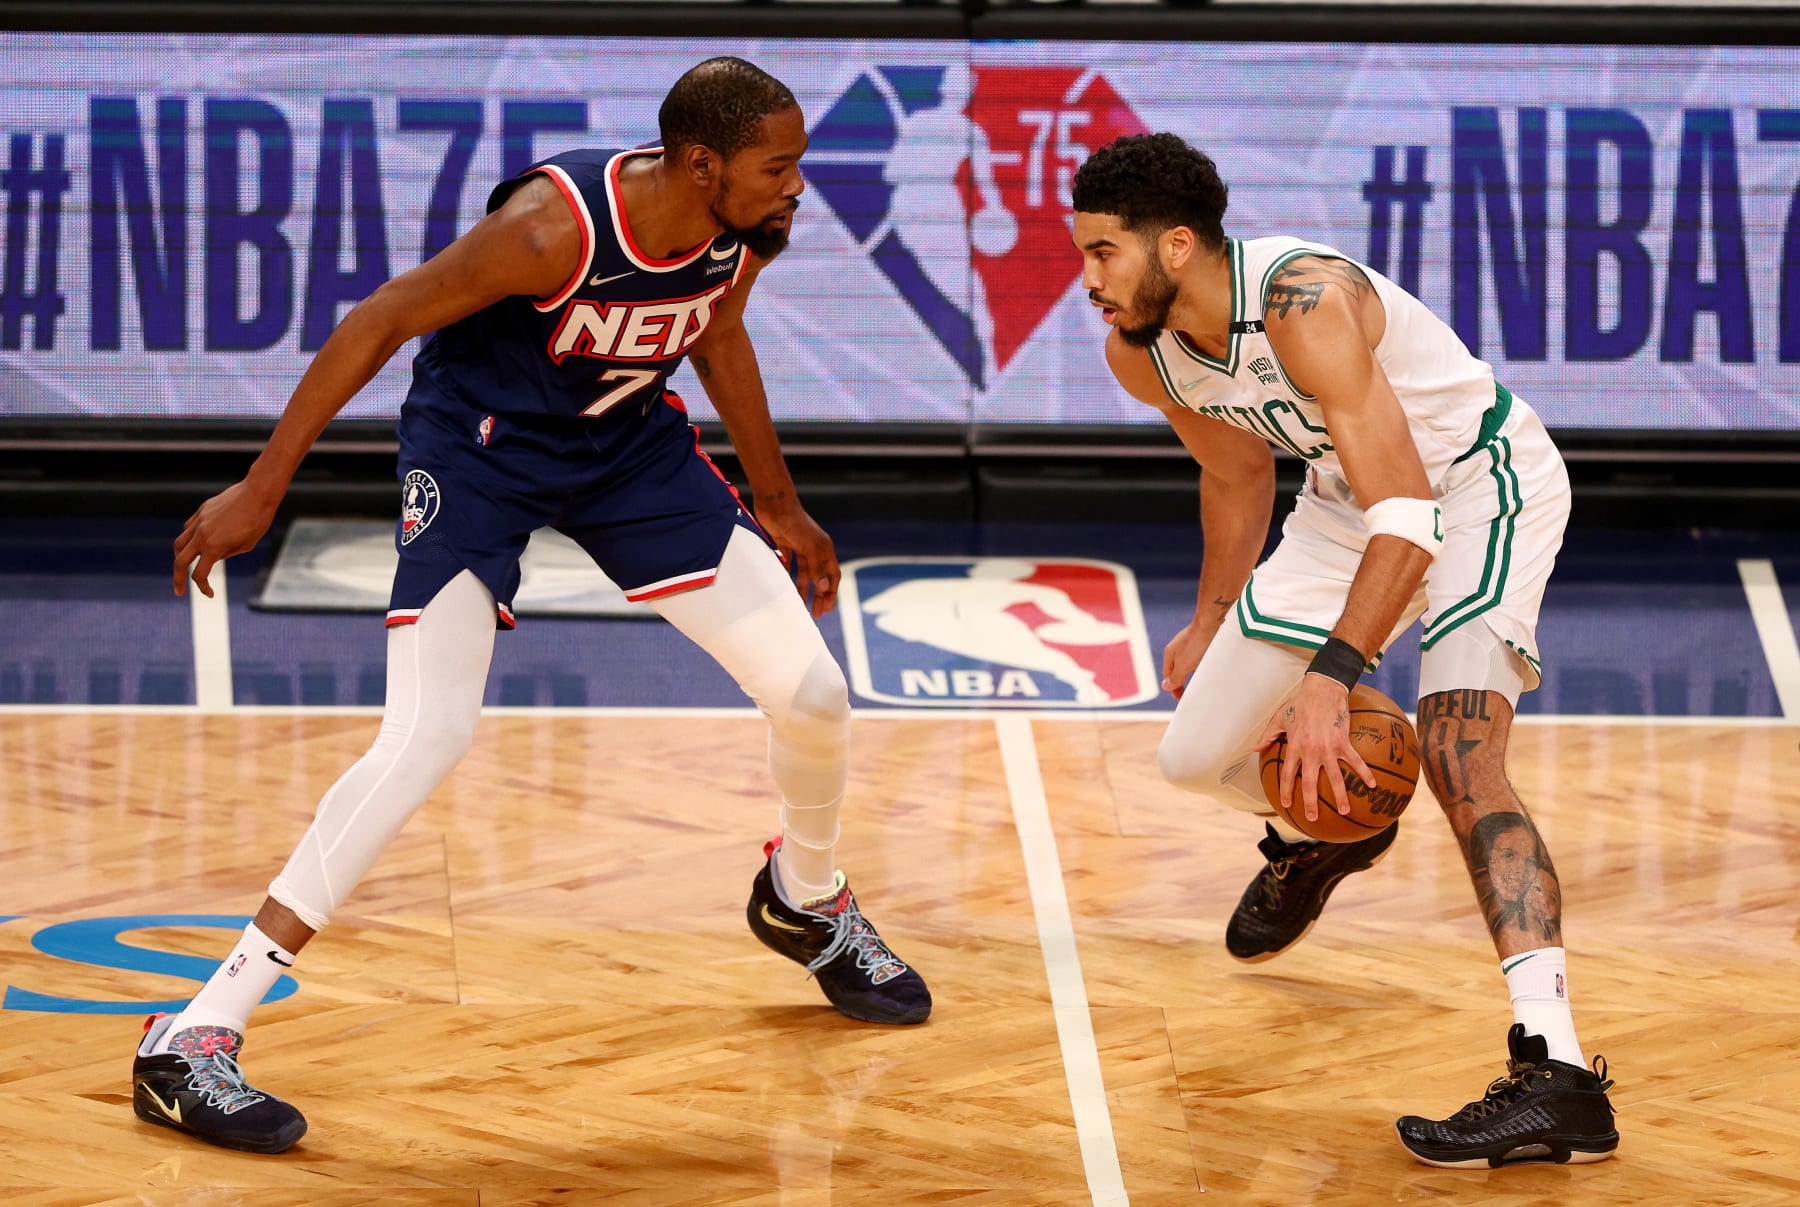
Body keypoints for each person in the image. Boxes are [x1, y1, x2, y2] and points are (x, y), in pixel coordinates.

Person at [136, 57, 930, 1156]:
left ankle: (806, 896)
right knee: (426, 737)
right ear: (703, 165)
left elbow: (718, 332)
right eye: (780, 165)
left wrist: (780, 503)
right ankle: (193, 1035)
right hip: (481, 456)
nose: (801, 184)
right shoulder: (550, 231)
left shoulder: (740, 228)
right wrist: (265, 482)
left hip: (627, 453)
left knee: (813, 692)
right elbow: (379, 319)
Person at [1069, 132, 1616, 1168]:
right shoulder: (1143, 351)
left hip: (1477, 488)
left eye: (1104, 254)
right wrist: (1212, 609)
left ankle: (1558, 1072)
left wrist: (1334, 675)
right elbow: (1236, 475)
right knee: (1192, 756)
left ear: (1176, 246)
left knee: (1460, 754)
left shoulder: (1303, 303)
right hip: (1344, 511)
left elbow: (1410, 513)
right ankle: (1336, 832)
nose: (1088, 280)